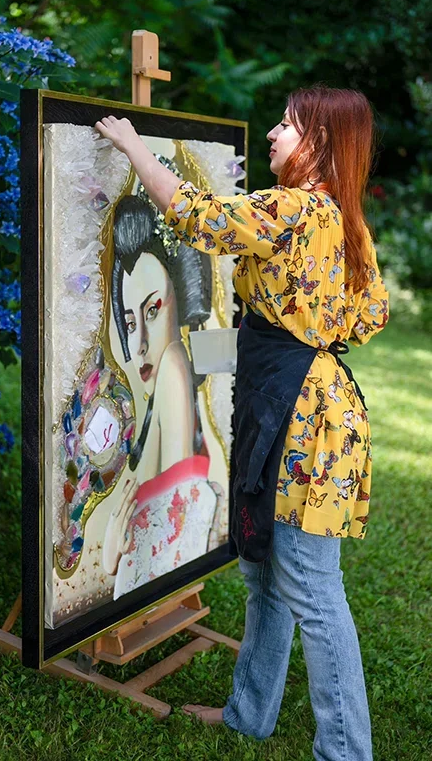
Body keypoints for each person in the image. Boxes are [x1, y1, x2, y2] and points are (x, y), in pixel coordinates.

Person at [95, 84, 389, 760]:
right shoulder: (344, 219)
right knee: (264, 573)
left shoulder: (290, 208)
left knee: (312, 589)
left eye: (287, 126)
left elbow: (197, 216)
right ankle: (248, 716)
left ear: (318, 141)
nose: (273, 135)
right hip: (298, 397)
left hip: (298, 415)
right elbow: (371, 315)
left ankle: (346, 752)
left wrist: (134, 146)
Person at [103, 192, 227, 598]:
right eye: (128, 320)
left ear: (180, 298)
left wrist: (112, 555)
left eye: (152, 310)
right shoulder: (177, 375)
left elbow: (161, 548)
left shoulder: (173, 365)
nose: (138, 343)